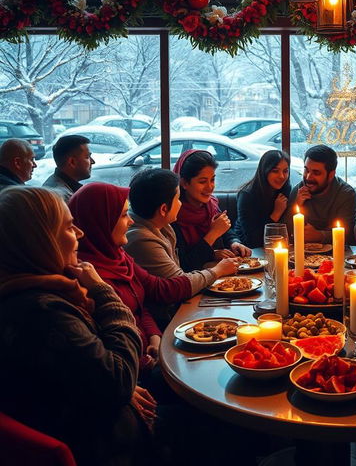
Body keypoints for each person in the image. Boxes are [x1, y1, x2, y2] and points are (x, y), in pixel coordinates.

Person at [0, 187, 148, 466]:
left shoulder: (47, 290)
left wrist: (124, 386)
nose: (80, 234)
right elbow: (117, 382)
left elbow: (96, 373)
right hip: (109, 446)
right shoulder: (42, 312)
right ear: (40, 241)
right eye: (69, 227)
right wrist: (105, 294)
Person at [69, 182, 194, 372]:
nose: (131, 221)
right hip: (132, 370)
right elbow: (103, 350)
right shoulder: (86, 276)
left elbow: (139, 305)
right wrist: (144, 361)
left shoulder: (118, 256)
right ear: (101, 221)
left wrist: (154, 335)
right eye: (123, 215)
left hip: (149, 350)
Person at [125, 168, 239, 325]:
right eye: (178, 199)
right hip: (163, 318)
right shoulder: (142, 239)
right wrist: (217, 271)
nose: (181, 204)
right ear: (164, 209)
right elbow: (180, 283)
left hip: (178, 306)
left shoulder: (161, 224)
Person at [172, 149, 251, 272]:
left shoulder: (211, 204)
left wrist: (234, 243)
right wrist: (213, 237)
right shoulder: (173, 215)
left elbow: (225, 231)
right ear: (184, 183)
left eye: (212, 180)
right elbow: (185, 263)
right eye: (202, 181)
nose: (210, 187)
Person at [286, 145, 356, 244]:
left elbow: (348, 235)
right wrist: (296, 204)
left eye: (316, 173)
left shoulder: (345, 194)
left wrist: (320, 235)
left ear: (331, 175)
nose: (308, 177)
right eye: (306, 170)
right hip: (301, 254)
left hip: (336, 255)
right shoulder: (298, 190)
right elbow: (286, 232)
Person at [235, 150, 291, 248]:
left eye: (285, 171)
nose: (282, 176)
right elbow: (253, 240)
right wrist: (275, 214)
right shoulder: (247, 195)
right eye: (275, 171)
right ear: (264, 171)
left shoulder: (285, 190)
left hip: (277, 247)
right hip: (247, 251)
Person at [43, 134, 95, 202]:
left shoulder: (54, 184)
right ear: (72, 162)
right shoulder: (64, 198)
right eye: (87, 157)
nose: (93, 162)